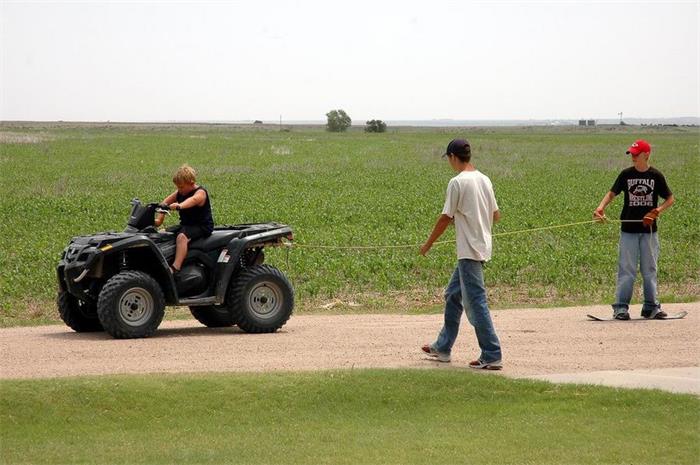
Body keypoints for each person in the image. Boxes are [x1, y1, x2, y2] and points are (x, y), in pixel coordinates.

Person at [419, 138, 503, 370]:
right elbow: (496, 215)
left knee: (476, 303)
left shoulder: (457, 182)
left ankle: (492, 353)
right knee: (453, 295)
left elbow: (445, 217)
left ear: (453, 157)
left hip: (469, 250)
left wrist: (428, 244)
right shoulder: (484, 179)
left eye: (448, 159)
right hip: (482, 246)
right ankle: (443, 347)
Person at [594, 139, 674, 320]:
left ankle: (651, 307)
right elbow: (611, 193)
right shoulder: (626, 175)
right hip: (628, 229)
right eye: (631, 153)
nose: (633, 157)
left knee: (649, 269)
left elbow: (670, 198)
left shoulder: (656, 176)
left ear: (646, 155)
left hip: (649, 231)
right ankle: (621, 308)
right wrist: (600, 208)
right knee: (626, 269)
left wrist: (656, 211)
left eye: (636, 154)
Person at [155, 164, 214, 273]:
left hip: (202, 226)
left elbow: (193, 200)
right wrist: (159, 217)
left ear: (191, 183)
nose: (179, 190)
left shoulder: (200, 193)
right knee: (161, 234)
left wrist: (179, 205)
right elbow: (164, 203)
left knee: (182, 237)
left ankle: (175, 267)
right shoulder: (180, 192)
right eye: (177, 187)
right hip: (186, 224)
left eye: (181, 187)